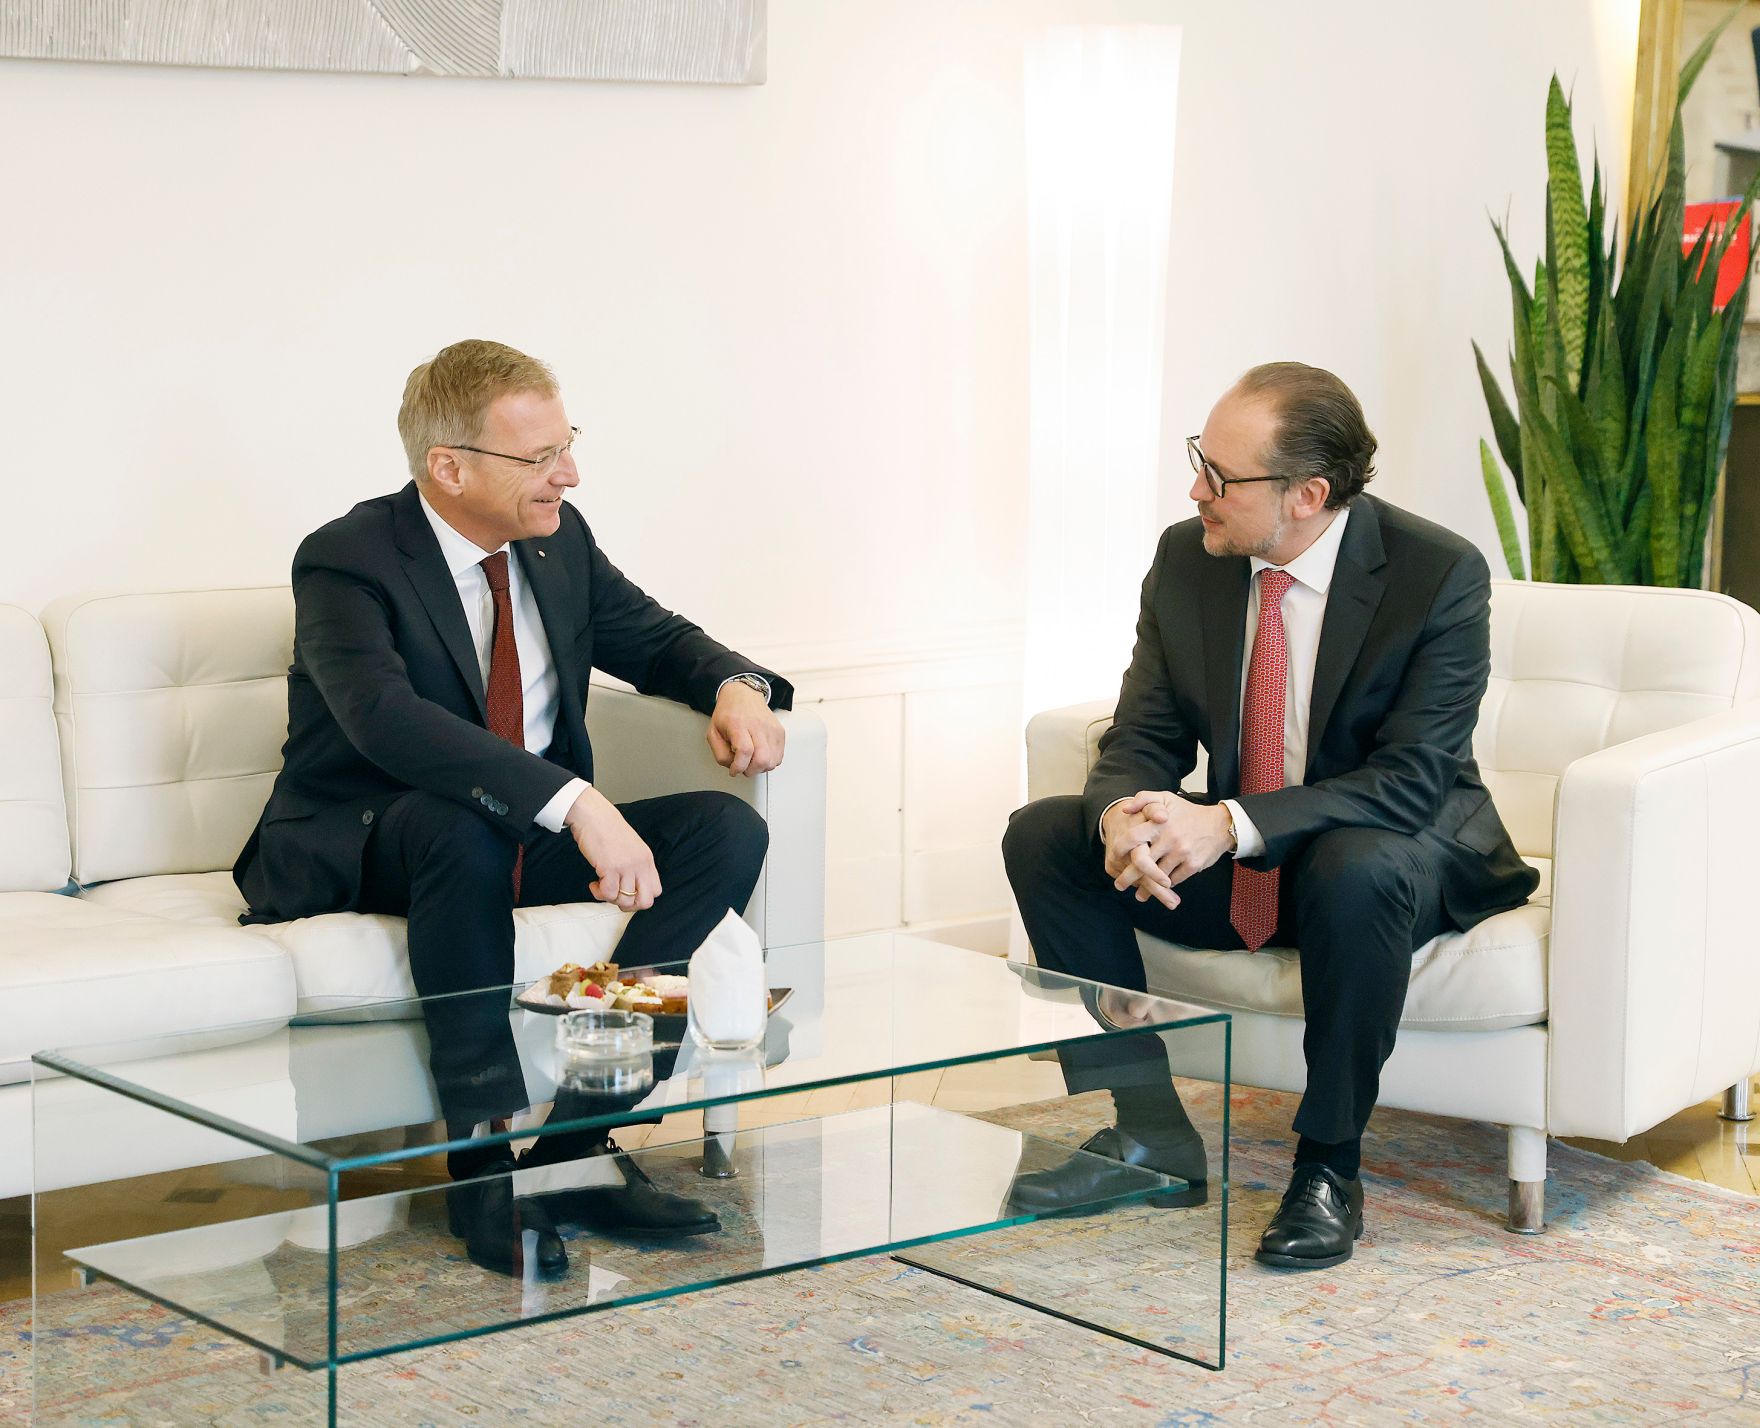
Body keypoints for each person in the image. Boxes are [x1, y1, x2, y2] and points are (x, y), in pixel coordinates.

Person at [234, 338, 792, 1277]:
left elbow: (655, 640)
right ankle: (481, 1168)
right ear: (449, 467)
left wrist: (736, 683)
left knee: (724, 829)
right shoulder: (347, 559)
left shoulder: (556, 540)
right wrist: (572, 801)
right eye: (539, 458)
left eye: (566, 444)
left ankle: (578, 1142)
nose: (568, 474)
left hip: (508, 834)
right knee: (460, 828)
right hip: (372, 834)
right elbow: (385, 723)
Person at [1002, 362, 1536, 1270]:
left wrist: (1227, 824)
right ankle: (1147, 1136)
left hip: (1400, 857)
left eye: (1220, 476)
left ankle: (1329, 1170)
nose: (1195, 489)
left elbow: (1410, 780)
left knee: (1353, 865)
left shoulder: (1436, 573)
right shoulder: (1187, 557)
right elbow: (1143, 733)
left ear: (1306, 495)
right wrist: (1120, 819)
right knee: (1045, 836)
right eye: (1197, 462)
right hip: (1257, 863)